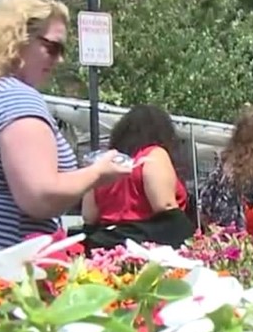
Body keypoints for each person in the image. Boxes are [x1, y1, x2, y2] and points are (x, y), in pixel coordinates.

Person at [0, 0, 131, 251]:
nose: (59, 59)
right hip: (1, 271)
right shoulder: (16, 100)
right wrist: (98, 173)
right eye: (53, 47)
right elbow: (41, 197)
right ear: (18, 39)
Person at [81, 104, 196, 249]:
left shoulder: (104, 164)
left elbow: (89, 216)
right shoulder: (154, 155)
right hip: (145, 248)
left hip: (105, 245)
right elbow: (165, 205)